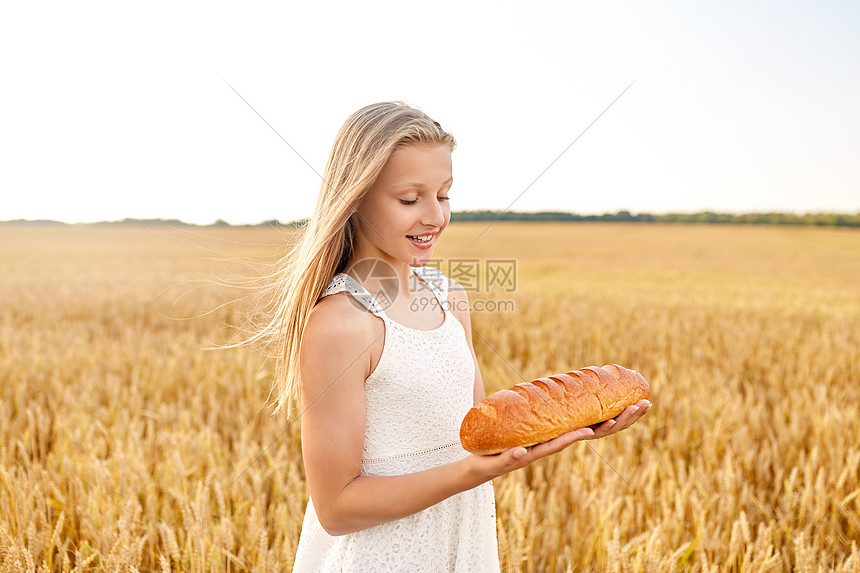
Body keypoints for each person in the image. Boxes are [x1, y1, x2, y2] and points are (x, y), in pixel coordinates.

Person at [254, 102, 651, 571]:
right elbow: (337, 509)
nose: (434, 216)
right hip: (378, 557)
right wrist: (470, 474)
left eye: (443, 195)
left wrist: (571, 421)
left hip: (461, 543)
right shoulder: (342, 322)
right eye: (409, 199)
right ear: (355, 198)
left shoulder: (450, 298)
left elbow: (481, 438)